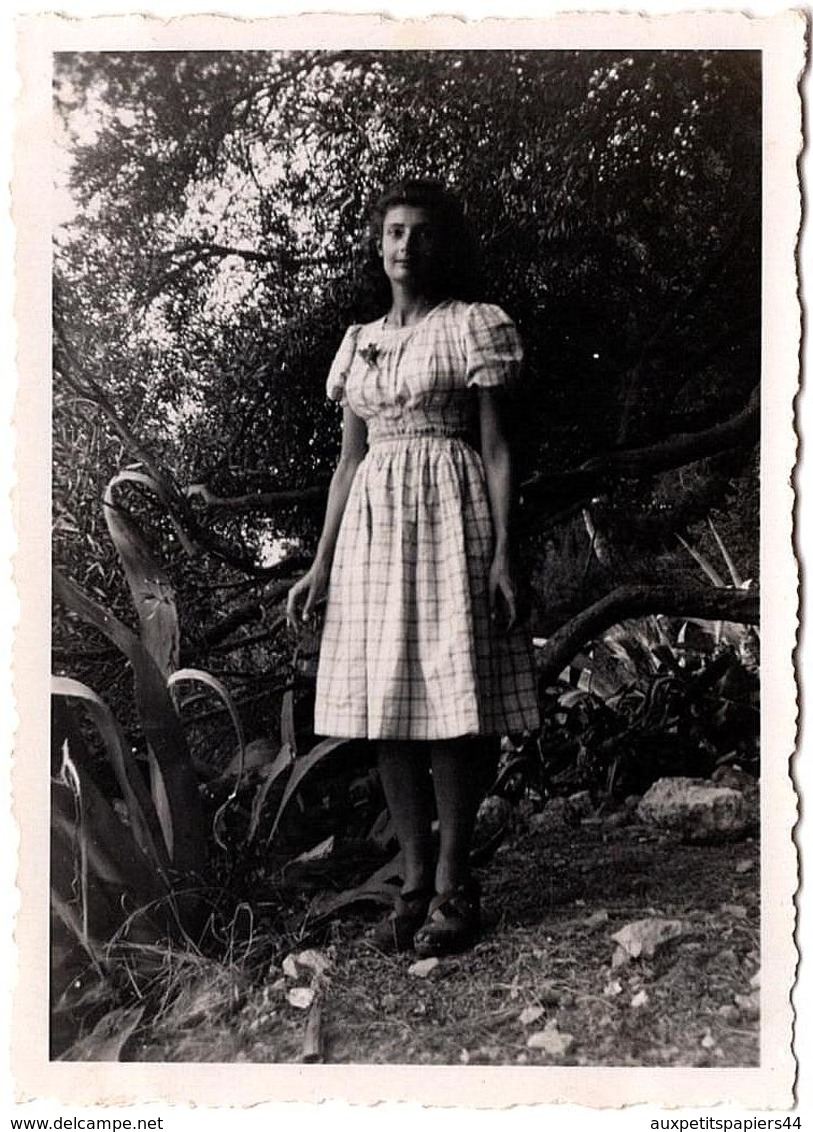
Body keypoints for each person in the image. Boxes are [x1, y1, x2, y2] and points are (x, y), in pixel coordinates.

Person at [287, 179, 539, 956]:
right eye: (395, 232)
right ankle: (414, 878)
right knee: (386, 705)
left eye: (422, 233)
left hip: (450, 513)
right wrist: (319, 565)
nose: (406, 246)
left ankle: (457, 884)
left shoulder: (472, 326)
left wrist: (503, 550)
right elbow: (346, 462)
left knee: (451, 696)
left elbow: (498, 450)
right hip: (371, 529)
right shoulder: (358, 340)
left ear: (441, 245)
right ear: (378, 243)